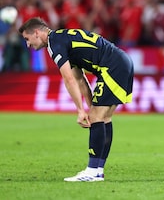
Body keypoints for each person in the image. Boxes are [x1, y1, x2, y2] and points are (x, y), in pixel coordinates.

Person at [19, 17, 134, 182]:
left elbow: (68, 80)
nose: (28, 44)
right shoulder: (63, 39)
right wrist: (89, 107)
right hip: (120, 62)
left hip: (113, 67)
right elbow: (79, 79)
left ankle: (92, 171)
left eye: (27, 39)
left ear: (37, 32)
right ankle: (97, 170)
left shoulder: (54, 44)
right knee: (103, 118)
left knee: (97, 117)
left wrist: (81, 111)